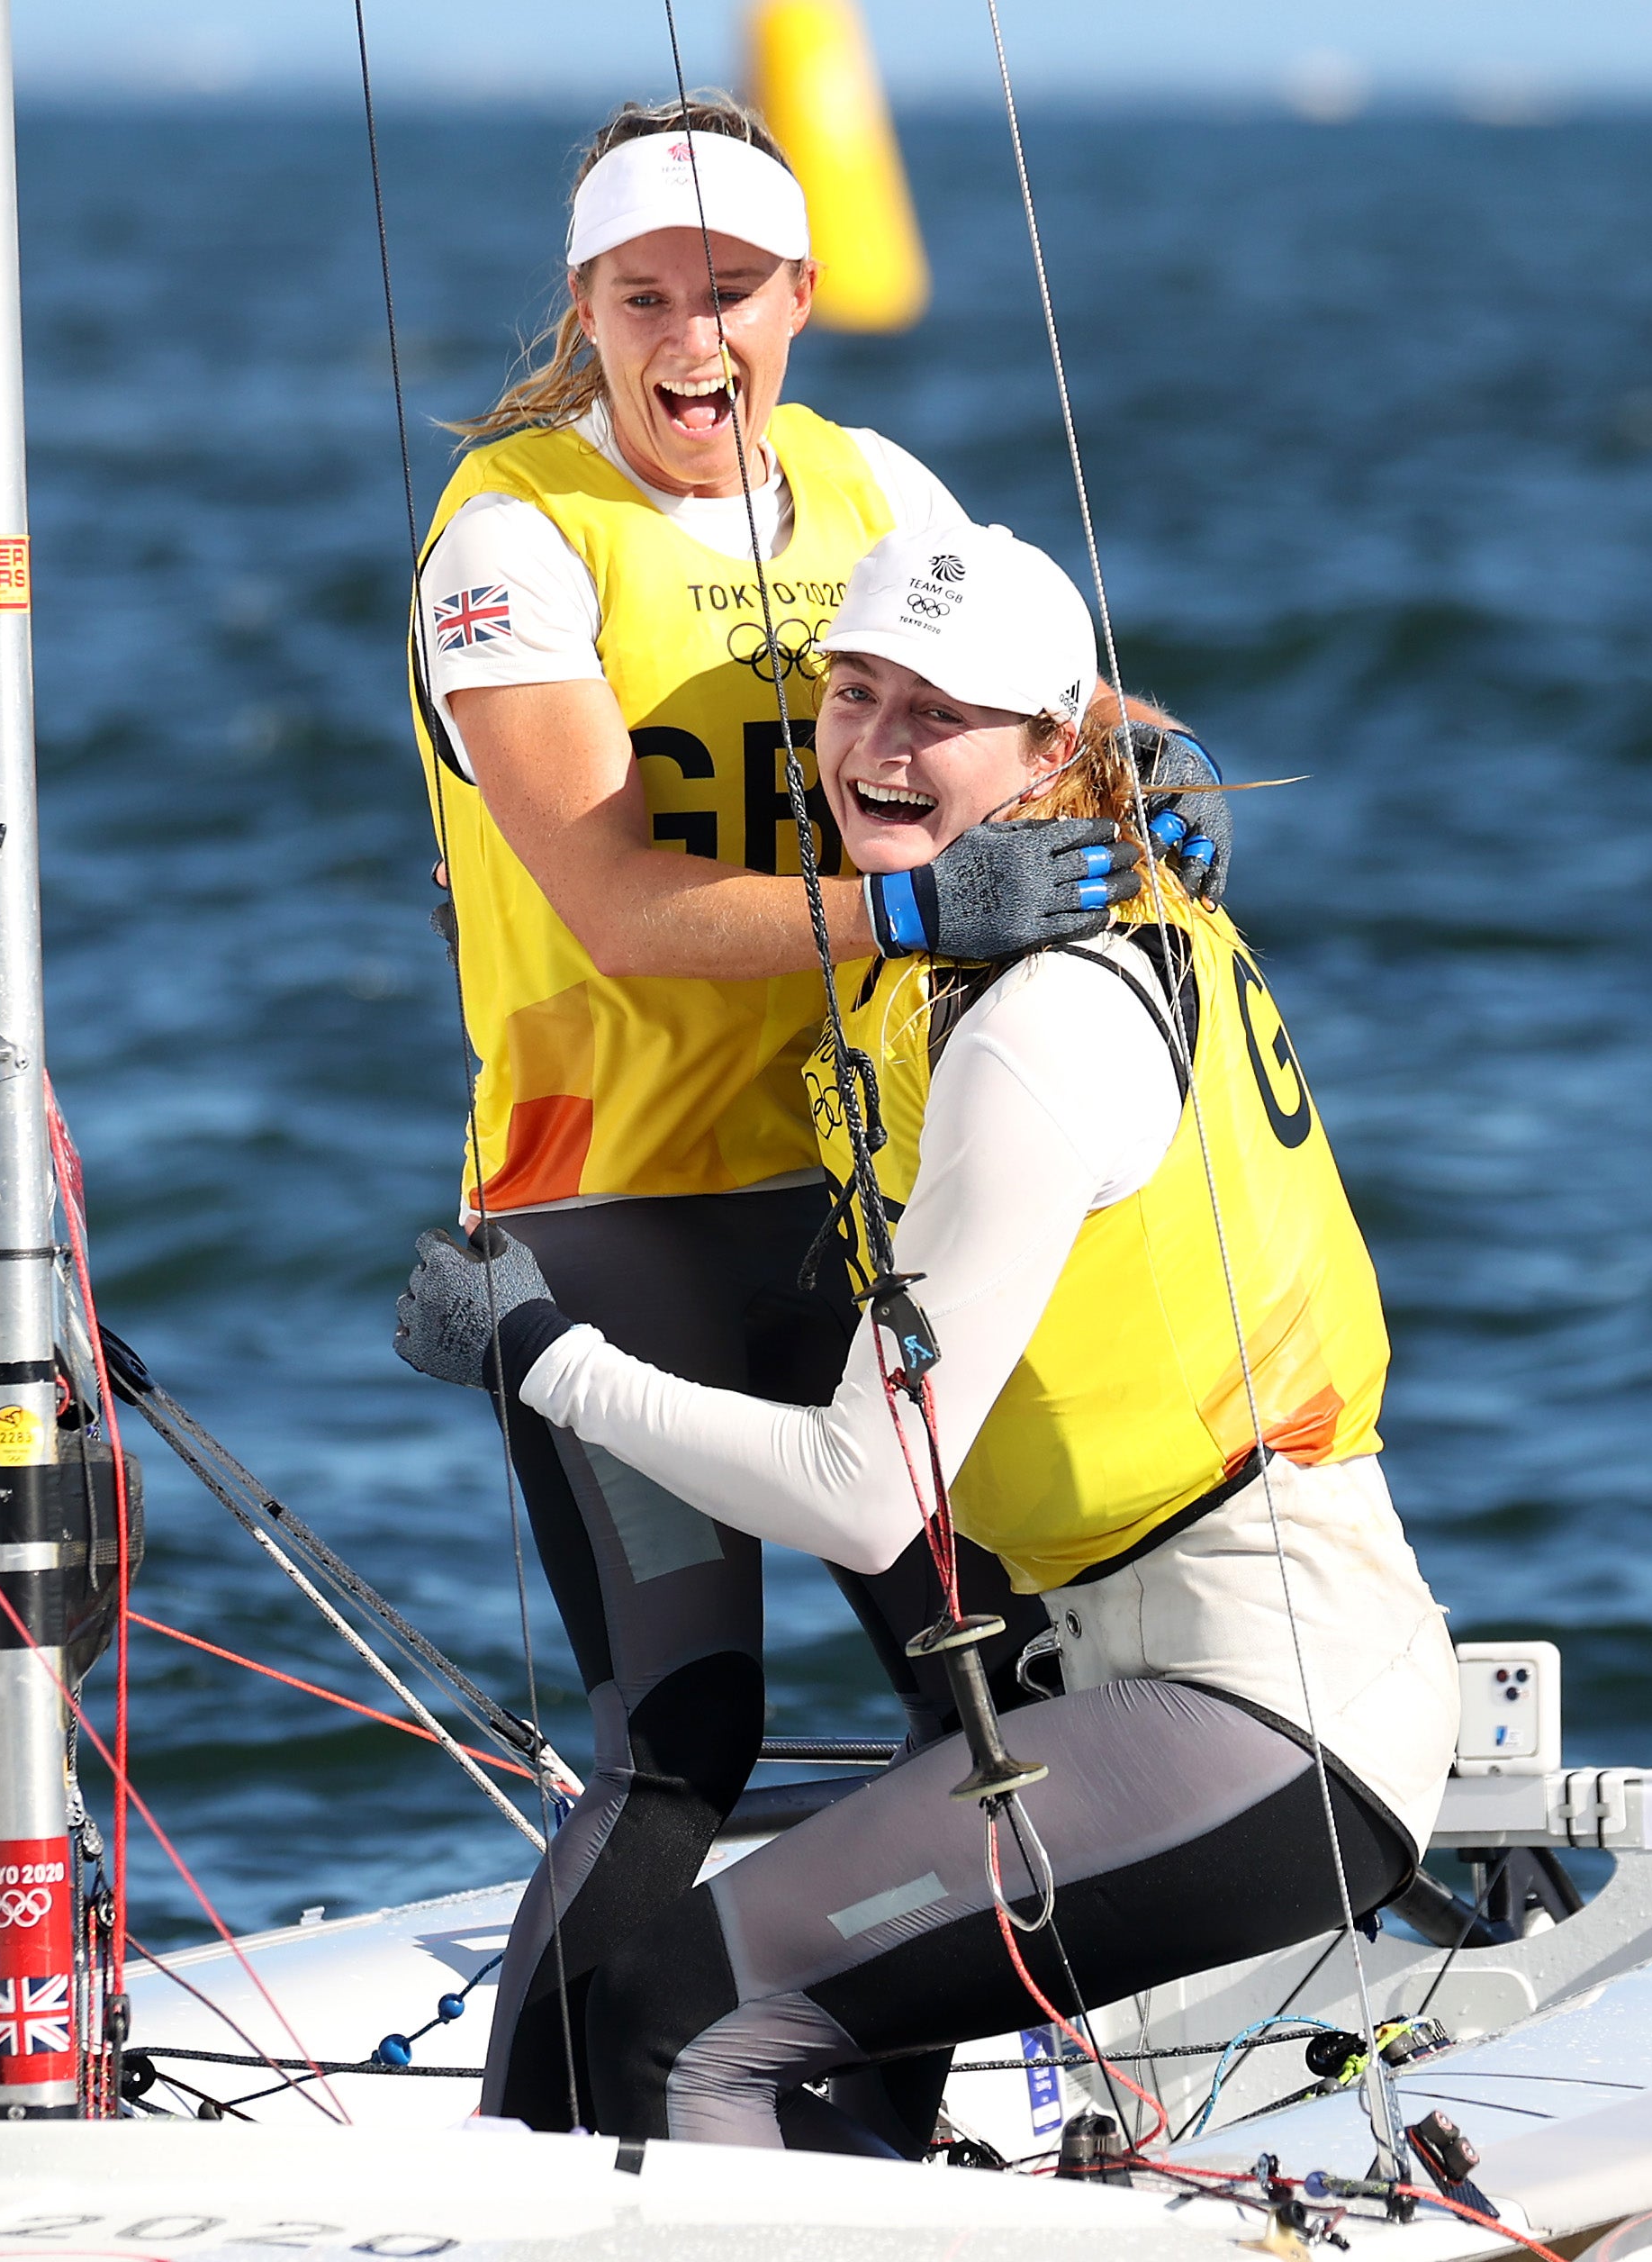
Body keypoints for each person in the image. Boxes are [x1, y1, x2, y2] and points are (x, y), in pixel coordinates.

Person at [397, 521, 1456, 2151]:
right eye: (856, 692)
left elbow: (864, 1495)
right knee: (780, 2019)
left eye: (939, 716)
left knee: (685, 2016)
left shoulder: (1038, 1027)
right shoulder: (1017, 935)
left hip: (1264, 1708)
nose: (880, 747)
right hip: (1158, 1681)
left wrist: (539, 1353)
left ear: (1054, 750)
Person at [402, 95, 1227, 2137]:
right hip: (611, 1216)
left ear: (801, 297)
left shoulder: (873, 484)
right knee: (683, 1738)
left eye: (734, 292)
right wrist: (914, 904)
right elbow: (612, 900)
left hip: (860, 1202)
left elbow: (1038, 687)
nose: (694, 339)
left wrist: (1146, 734)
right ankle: (534, 2167)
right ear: (586, 309)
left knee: (998, 1705)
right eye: (644, 297)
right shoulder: (510, 539)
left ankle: (864, 2130)